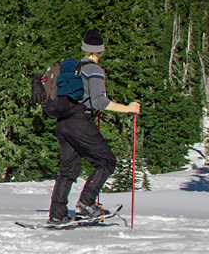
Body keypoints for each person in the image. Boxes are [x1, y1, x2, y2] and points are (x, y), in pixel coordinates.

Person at [48, 29, 141, 224]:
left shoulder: (73, 69)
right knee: (106, 161)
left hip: (63, 122)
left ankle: (57, 213)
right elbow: (100, 102)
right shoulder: (94, 70)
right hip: (80, 121)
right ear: (100, 51)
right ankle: (86, 203)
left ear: (84, 48)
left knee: (68, 170)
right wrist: (128, 108)